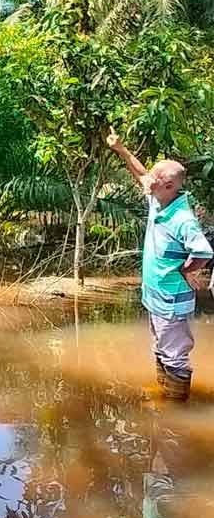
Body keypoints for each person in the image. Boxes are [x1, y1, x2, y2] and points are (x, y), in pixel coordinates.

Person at [108, 128, 212, 400]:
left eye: (154, 178)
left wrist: (187, 270)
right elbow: (140, 173)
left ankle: (175, 412)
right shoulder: (159, 199)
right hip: (157, 296)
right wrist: (121, 149)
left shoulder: (182, 219)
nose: (147, 179)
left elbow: (203, 251)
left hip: (172, 298)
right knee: (160, 346)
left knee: (175, 355)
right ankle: (163, 392)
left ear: (168, 185)